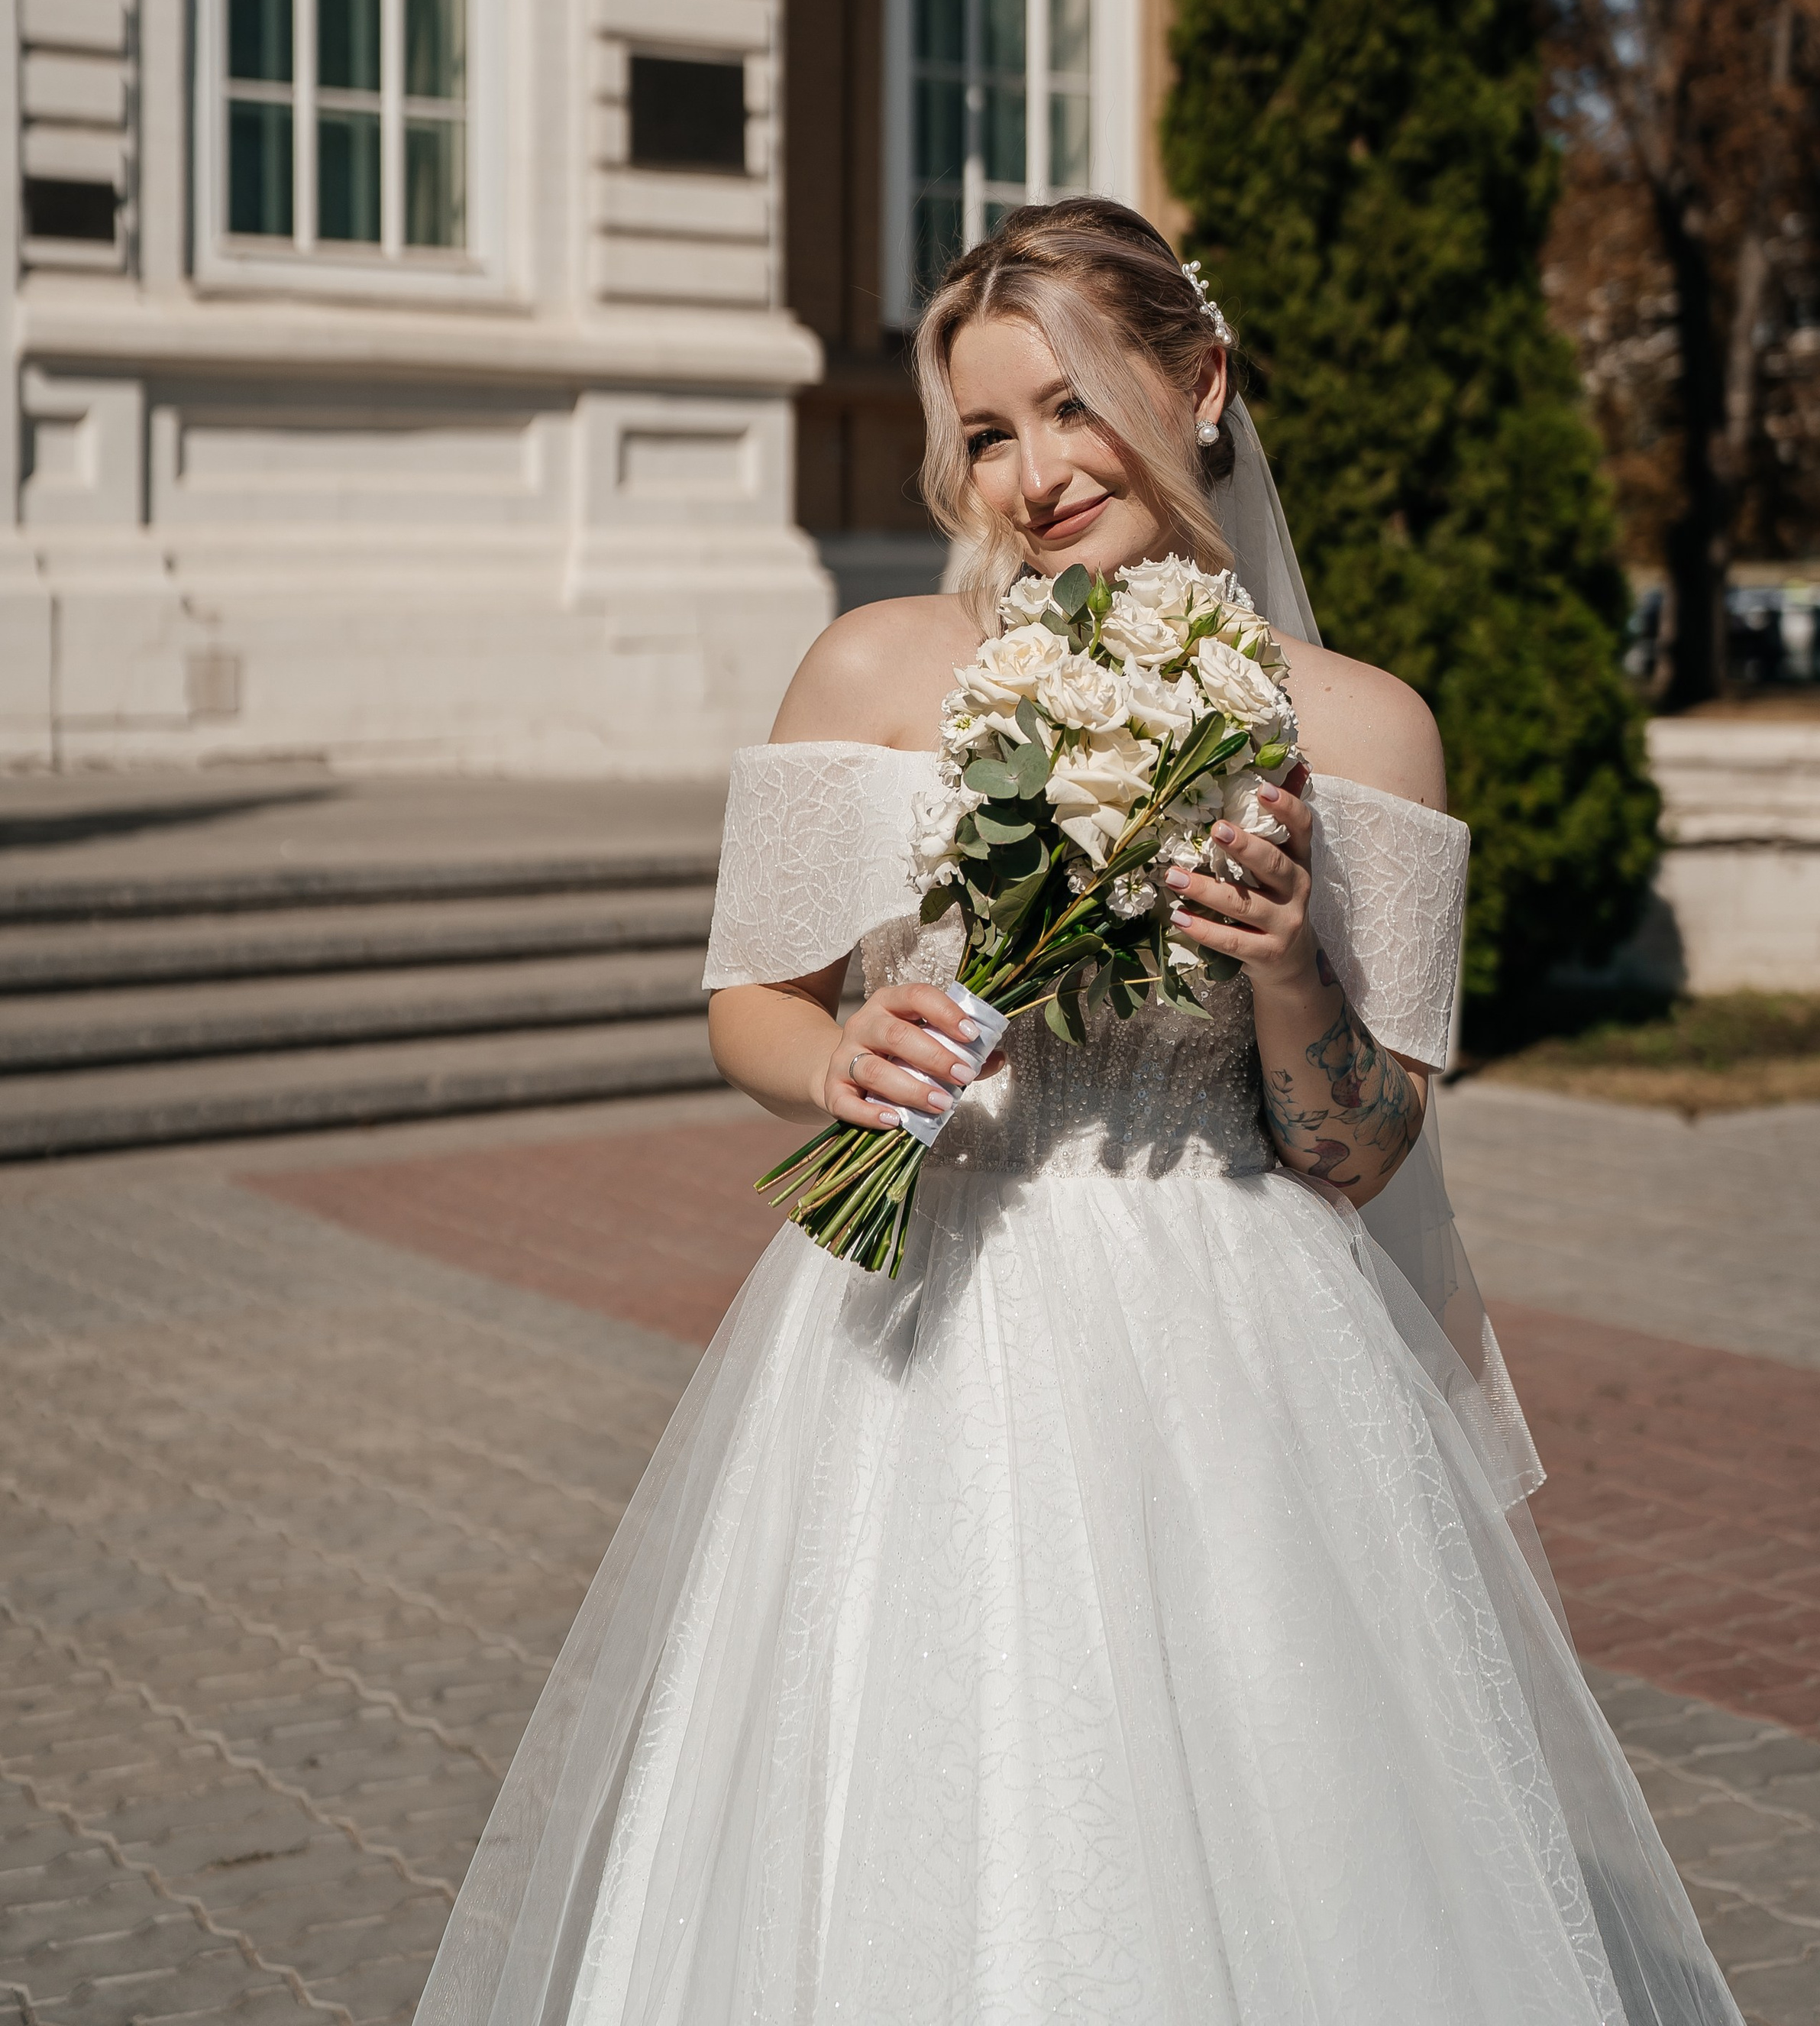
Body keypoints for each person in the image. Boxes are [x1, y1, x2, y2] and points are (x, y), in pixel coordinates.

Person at [416, 199, 1741, 2026]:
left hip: (1240, 1344)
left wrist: (1288, 967)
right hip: (916, 1332)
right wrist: (837, 1056)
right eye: (983, 432)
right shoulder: (874, 671)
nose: (1030, 475)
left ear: (1201, 384)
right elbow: (748, 997)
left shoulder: (1362, 731)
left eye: (1072, 405)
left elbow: (1358, 1149)